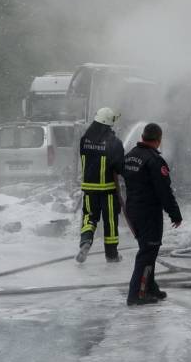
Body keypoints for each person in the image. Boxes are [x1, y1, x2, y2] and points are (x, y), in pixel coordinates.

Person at [122, 123, 182, 305]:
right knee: (148, 252)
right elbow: (164, 191)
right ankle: (137, 294)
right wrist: (175, 214)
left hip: (133, 210)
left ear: (142, 136)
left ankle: (150, 286)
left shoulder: (131, 156)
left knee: (148, 249)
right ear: (158, 140)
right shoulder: (154, 161)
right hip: (149, 212)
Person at [76, 107, 125, 263]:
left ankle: (86, 242)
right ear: (108, 124)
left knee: (89, 218)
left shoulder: (84, 140)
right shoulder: (114, 142)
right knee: (110, 221)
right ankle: (111, 255)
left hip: (89, 189)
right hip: (108, 190)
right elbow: (119, 167)